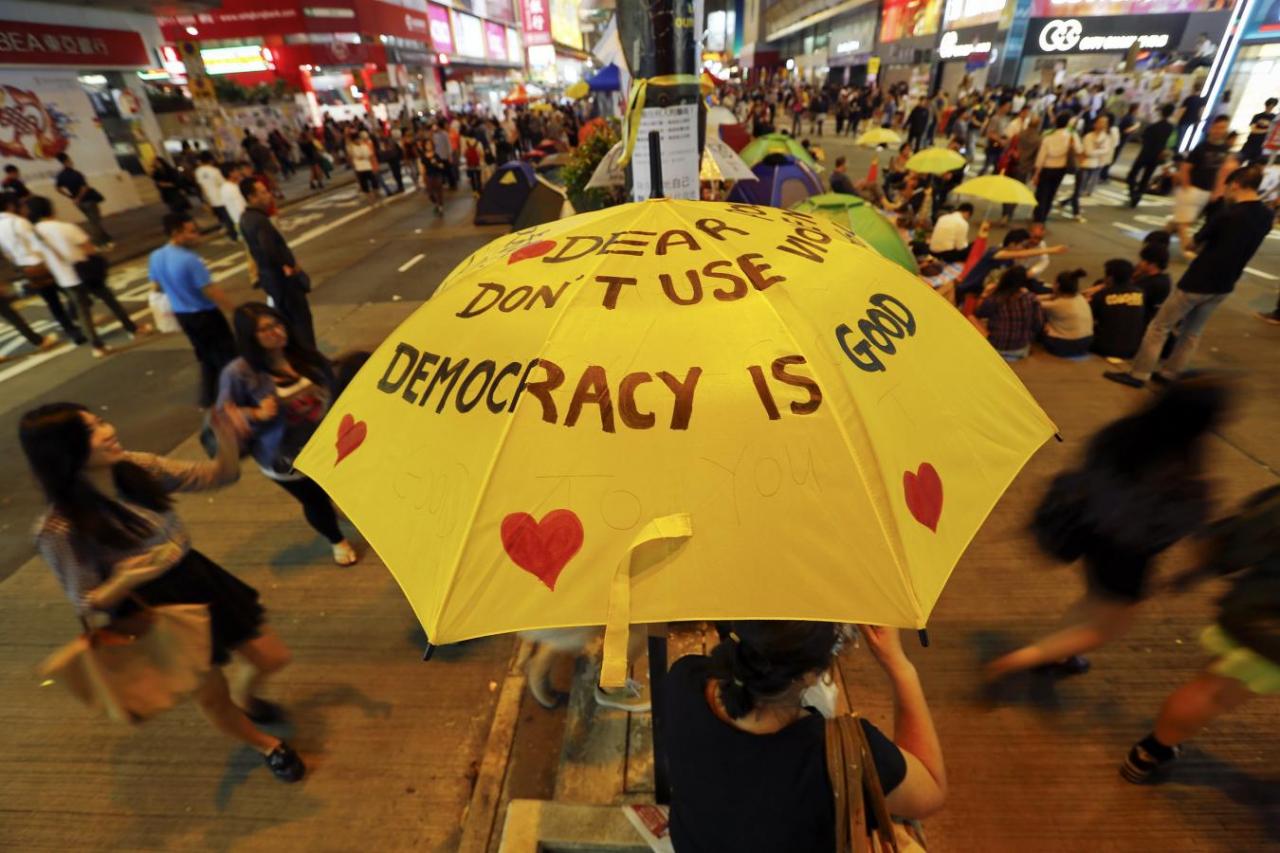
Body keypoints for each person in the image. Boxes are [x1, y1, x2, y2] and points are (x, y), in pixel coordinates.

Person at [20, 402, 305, 782]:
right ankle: (267, 746)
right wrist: (126, 579)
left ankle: (247, 698)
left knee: (271, 657)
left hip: (197, 578)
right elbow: (85, 600)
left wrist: (226, 441)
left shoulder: (135, 467)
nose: (108, 431)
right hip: (152, 610)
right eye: (90, 432)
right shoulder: (58, 528)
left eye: (102, 421)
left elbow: (218, 476)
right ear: (64, 451)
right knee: (210, 696)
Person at [985, 378, 1229, 684]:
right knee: (1107, 627)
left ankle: (1058, 654)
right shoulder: (1181, 471)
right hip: (1128, 558)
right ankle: (1023, 660)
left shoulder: (1122, 433)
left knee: (1094, 601)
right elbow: (1183, 526)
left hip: (1091, 535)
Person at [665, 621, 946, 851]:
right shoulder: (846, 753)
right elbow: (931, 790)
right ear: (813, 675)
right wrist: (899, 667)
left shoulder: (684, 677)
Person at [1122, 484, 1280, 783]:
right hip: (1266, 626)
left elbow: (1245, 538)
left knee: (1212, 690)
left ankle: (1151, 752)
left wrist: (1204, 562)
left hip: (1262, 619)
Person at [1106, 166, 1274, 388]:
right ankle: (1169, 374)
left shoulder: (1227, 215)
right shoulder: (1266, 215)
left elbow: (1193, 245)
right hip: (1225, 284)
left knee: (1159, 327)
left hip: (1198, 280)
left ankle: (1139, 374)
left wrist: (1183, 227)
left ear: (1235, 185)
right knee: (1192, 333)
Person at [218, 303, 359, 567]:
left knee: (338, 485)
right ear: (250, 337)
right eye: (265, 329)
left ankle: (340, 510)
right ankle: (336, 540)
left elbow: (332, 380)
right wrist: (256, 413)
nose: (276, 332)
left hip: (329, 443)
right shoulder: (239, 373)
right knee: (314, 500)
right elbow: (223, 415)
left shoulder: (301, 354)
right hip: (285, 455)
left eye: (277, 324)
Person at [26, 195, 146, 358]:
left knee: (83, 312)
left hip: (65, 278)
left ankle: (97, 346)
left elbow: (40, 256)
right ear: (50, 209)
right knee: (110, 300)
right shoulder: (66, 227)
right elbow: (89, 249)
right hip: (85, 273)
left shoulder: (35, 233)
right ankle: (132, 327)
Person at [150, 212, 237, 407]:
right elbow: (211, 291)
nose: (197, 235)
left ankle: (207, 399)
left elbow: (156, 286)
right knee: (228, 357)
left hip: (183, 317)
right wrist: (235, 311)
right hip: (205, 315)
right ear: (176, 232)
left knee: (206, 356)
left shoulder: (156, 256)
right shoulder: (190, 260)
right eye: (191, 232)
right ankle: (233, 399)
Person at [238, 178, 316, 351]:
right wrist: (288, 265)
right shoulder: (260, 221)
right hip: (283, 281)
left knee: (287, 320)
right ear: (251, 197)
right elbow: (269, 249)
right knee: (300, 321)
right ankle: (311, 356)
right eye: (263, 192)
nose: (269, 196)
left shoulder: (245, 219)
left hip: (271, 281)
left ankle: (299, 354)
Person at [0, 191, 82, 346]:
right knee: (75, 291)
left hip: (26, 267)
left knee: (52, 301)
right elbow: (39, 244)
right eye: (20, 203)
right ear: (11, 206)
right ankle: (76, 320)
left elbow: (6, 253)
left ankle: (70, 328)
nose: (23, 206)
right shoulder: (19, 222)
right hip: (42, 264)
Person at [1169, 115, 1237, 259]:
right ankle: (1187, 250)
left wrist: (1220, 191)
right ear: (1211, 128)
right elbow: (1185, 168)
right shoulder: (1201, 147)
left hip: (1210, 193)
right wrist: (1187, 187)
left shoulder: (1226, 149)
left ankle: (1158, 238)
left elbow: (1223, 172)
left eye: (1223, 128)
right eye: (1217, 127)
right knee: (1184, 223)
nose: (1220, 131)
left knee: (1182, 220)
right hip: (1193, 189)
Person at [955, 223, 1066, 302]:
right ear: (1012, 244)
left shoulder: (1009, 259)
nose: (1024, 248)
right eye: (1022, 245)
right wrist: (1052, 250)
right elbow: (1022, 255)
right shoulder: (995, 252)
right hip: (970, 291)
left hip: (986, 290)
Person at [975, 266, 1045, 360]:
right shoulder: (1031, 298)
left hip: (996, 347)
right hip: (1021, 347)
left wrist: (984, 294)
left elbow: (978, 313)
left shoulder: (996, 299)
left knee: (971, 317)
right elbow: (1038, 324)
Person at [1087, 259, 1145, 360]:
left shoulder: (1102, 295)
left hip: (1104, 347)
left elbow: (1087, 318)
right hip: (1133, 349)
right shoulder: (1140, 293)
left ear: (1110, 278)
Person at [53, 153, 111, 249]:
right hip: (88, 200)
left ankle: (106, 238)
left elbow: (57, 188)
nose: (72, 162)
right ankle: (98, 243)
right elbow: (84, 187)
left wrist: (71, 197)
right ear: (67, 161)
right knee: (94, 222)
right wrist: (79, 198)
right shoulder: (76, 174)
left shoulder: (60, 176)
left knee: (93, 220)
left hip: (78, 203)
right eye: (70, 160)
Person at [1032, 113, 1081, 222]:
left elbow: (1041, 156)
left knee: (1041, 193)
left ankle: (1038, 216)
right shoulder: (1072, 135)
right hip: (1060, 169)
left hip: (1046, 168)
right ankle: (1044, 215)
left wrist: (1036, 172)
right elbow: (1079, 150)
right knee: (1051, 193)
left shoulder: (1048, 136)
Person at [1128, 104, 1176, 207]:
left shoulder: (1153, 126)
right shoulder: (1171, 128)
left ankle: (1133, 192)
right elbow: (1171, 144)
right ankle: (1139, 195)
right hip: (1157, 157)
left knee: (1132, 174)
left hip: (1145, 154)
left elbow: (1144, 138)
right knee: (1147, 176)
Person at [1038, 268, 1094, 357]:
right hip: (1086, 342)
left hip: (1065, 345)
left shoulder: (1056, 304)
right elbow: (1052, 296)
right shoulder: (1080, 297)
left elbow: (1031, 302)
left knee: (1039, 321)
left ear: (1058, 285)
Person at [195, 152, 235, 241]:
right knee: (228, 218)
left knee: (222, 219)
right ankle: (234, 236)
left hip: (210, 199)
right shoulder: (215, 171)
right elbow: (223, 183)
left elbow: (201, 186)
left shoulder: (198, 172)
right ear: (211, 160)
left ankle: (229, 235)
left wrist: (205, 200)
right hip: (221, 198)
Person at [1132, 242, 1172, 329]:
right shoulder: (1165, 279)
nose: (1139, 263)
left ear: (1152, 265)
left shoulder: (1147, 284)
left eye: (1142, 260)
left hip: (1140, 325)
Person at [347, 130, 380, 206]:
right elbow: (353, 156)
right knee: (365, 185)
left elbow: (368, 154)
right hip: (359, 168)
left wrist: (362, 157)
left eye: (358, 139)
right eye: (356, 139)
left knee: (374, 182)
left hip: (368, 166)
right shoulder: (352, 147)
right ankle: (370, 200)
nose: (358, 140)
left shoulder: (364, 146)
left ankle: (376, 195)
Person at [1240, 98, 1278, 165]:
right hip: (1250, 143)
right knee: (1239, 160)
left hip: (1261, 146)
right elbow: (1253, 130)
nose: (1270, 107)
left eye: (1272, 106)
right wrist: (1267, 130)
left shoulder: (1274, 118)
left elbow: (1274, 132)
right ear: (1266, 105)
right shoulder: (1257, 116)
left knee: (1252, 166)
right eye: (1269, 105)